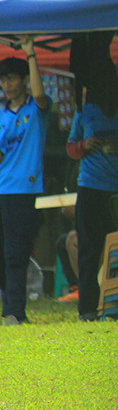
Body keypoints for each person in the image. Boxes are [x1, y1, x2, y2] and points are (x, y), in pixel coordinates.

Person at [66, 45, 118, 322]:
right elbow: (70, 148)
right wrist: (83, 144)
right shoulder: (84, 112)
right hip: (91, 188)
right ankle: (88, 308)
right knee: (90, 250)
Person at [0, 37, 52, 326]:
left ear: (22, 80)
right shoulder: (1, 115)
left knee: (16, 251)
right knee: (4, 252)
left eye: (11, 79)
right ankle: (11, 307)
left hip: (24, 189)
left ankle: (14, 312)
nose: (6, 85)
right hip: (2, 188)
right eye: (3, 80)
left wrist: (31, 54)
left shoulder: (36, 110)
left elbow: (41, 94)